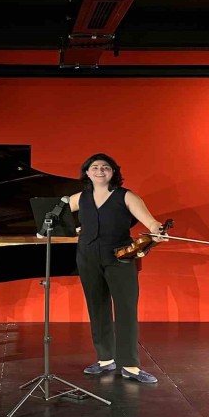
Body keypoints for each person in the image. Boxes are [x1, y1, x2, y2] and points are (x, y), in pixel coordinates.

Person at [69, 153, 165, 384]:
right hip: (87, 257)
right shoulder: (78, 198)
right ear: (87, 172)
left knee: (125, 310)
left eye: (106, 167)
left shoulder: (127, 196)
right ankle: (105, 359)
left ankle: (130, 365)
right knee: (97, 307)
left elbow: (151, 222)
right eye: (95, 167)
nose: (100, 171)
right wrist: (74, 229)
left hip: (120, 258)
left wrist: (157, 231)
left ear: (113, 172)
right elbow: (53, 217)